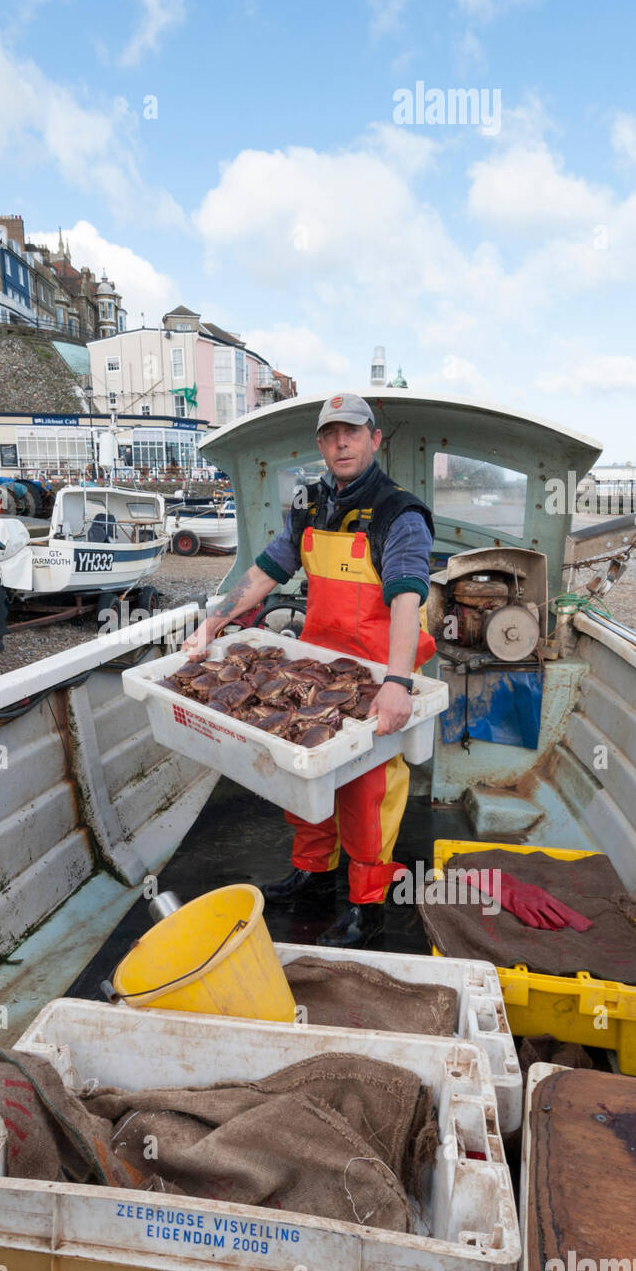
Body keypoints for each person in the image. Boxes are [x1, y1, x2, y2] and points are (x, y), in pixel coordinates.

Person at [180, 392, 435, 948]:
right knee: (302, 776)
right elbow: (266, 570)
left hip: (373, 674)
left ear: (374, 438)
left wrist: (396, 683)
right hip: (314, 668)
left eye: (352, 431)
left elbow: (407, 603)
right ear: (320, 444)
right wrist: (211, 625)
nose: (341, 442)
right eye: (329, 434)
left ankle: (368, 910)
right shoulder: (312, 505)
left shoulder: (401, 514)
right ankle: (314, 878)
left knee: (366, 794)